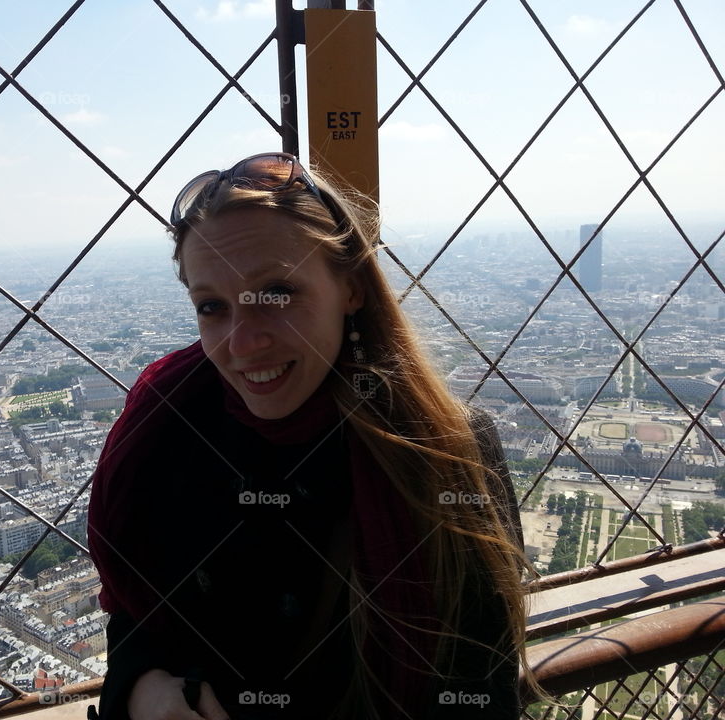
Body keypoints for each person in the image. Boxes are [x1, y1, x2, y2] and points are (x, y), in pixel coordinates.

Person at [86, 152, 540, 719]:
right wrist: (142, 689)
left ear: (351, 288)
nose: (242, 341)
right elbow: (139, 615)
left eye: (276, 293)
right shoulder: (165, 433)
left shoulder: (444, 448)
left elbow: (480, 688)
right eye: (211, 307)